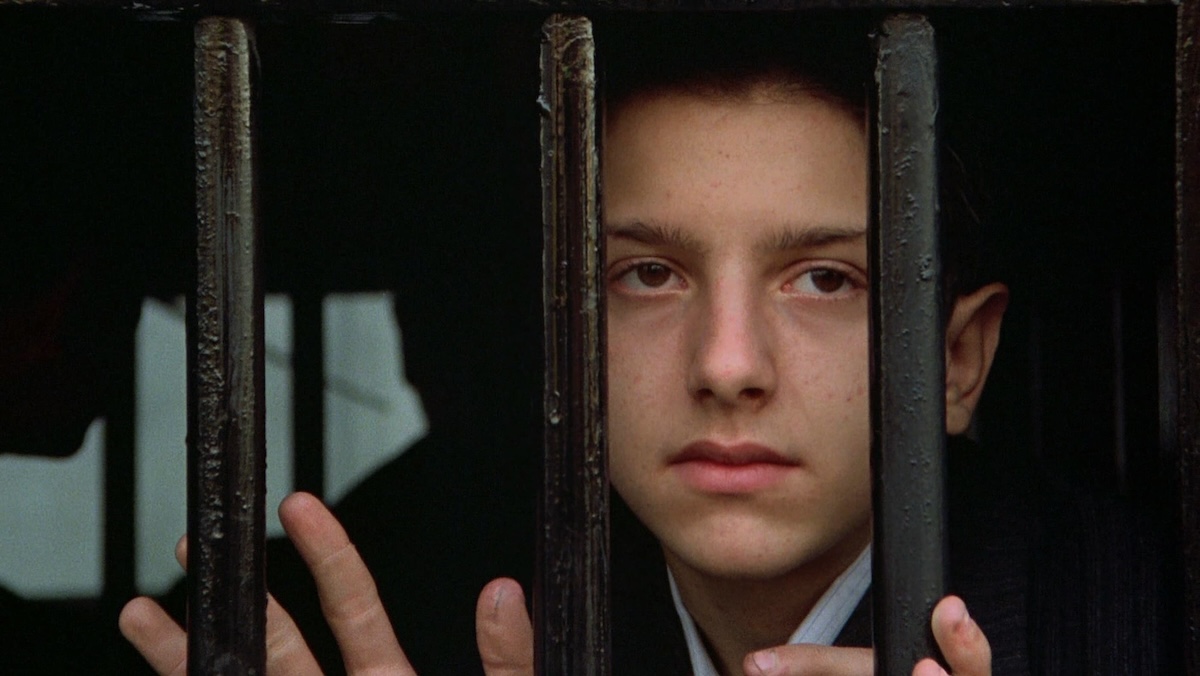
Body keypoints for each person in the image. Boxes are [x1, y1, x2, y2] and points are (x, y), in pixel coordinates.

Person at [119, 17, 1175, 676]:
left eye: (825, 279)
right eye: (648, 275)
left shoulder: (1143, 626)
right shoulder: (458, 616)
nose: (727, 364)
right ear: (564, 336)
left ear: (959, 361)